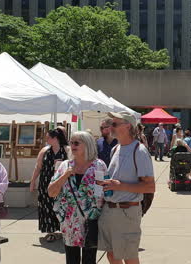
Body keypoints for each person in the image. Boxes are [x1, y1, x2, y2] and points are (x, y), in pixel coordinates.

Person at [97, 111, 155, 264]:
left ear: (128, 126)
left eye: (114, 124)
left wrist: (120, 186)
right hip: (109, 210)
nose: (111, 128)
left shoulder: (140, 151)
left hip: (127, 212)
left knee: (129, 257)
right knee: (112, 256)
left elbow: (150, 187)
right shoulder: (115, 149)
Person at [48, 131, 107, 264]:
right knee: (72, 260)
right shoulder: (65, 166)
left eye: (76, 143)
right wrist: (65, 175)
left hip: (91, 221)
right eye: (71, 142)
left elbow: (104, 193)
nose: (72, 146)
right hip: (70, 222)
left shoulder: (99, 165)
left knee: (89, 259)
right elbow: (51, 192)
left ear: (87, 145)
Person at [30, 128, 69, 242]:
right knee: (47, 207)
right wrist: (33, 182)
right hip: (45, 183)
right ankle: (50, 232)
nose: (46, 140)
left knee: (63, 206)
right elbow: (38, 167)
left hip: (62, 184)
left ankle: (65, 230)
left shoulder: (67, 150)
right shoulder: (44, 151)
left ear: (55, 138)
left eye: (48, 137)